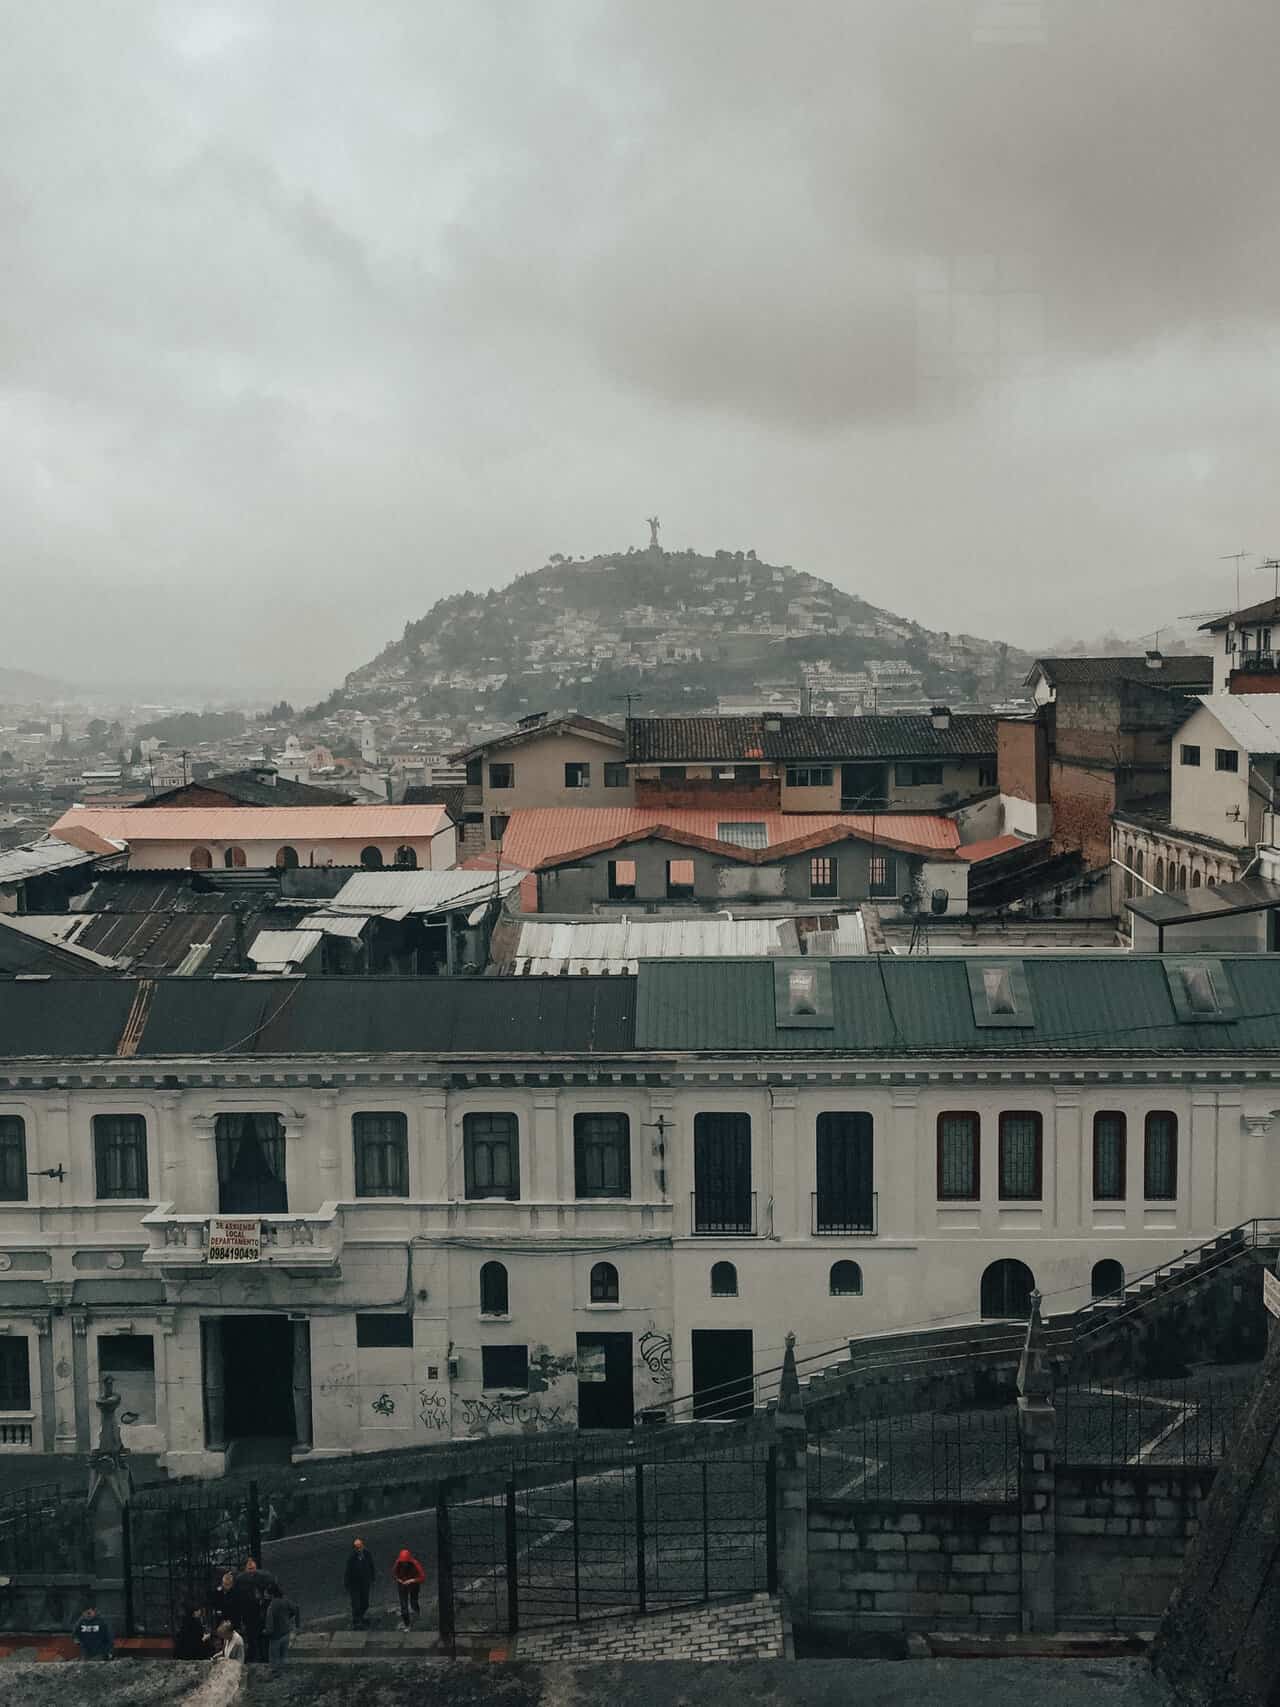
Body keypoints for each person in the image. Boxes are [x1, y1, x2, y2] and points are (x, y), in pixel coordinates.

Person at [263, 1582, 300, 1669]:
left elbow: (270, 1627)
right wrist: (297, 1625)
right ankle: (282, 1672)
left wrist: (265, 1632)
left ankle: (275, 1674)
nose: (264, 1594)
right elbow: (296, 1609)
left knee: (274, 1660)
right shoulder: (285, 1601)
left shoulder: (271, 1607)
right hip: (286, 1633)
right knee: (283, 1657)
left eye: (266, 1593)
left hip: (275, 1637)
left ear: (271, 1594)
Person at [343, 1536, 376, 1628]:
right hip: (355, 1585)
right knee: (356, 1603)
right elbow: (348, 1572)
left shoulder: (367, 1554)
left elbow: (371, 1565)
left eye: (360, 1547)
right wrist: (347, 1584)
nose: (360, 1549)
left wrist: (372, 1578)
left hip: (365, 1583)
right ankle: (356, 1620)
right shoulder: (352, 1558)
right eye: (357, 1548)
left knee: (365, 1602)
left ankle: (361, 1617)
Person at [392, 1547, 426, 1629]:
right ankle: (406, 1623)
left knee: (413, 1601)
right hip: (402, 1584)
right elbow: (394, 1573)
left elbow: (422, 1577)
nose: (404, 1564)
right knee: (404, 1605)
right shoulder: (398, 1563)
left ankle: (416, 1618)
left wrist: (411, 1580)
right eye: (403, 1562)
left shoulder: (415, 1563)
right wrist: (399, 1580)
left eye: (405, 1562)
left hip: (413, 1585)